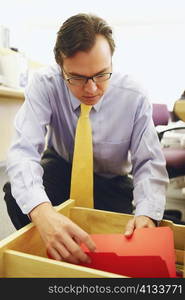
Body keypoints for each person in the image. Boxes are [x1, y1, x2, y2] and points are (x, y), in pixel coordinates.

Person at [3, 13, 169, 265]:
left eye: (102, 74)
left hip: (111, 179)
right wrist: (43, 213)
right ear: (60, 67)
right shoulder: (44, 84)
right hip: (62, 165)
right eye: (77, 78)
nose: (91, 89)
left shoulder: (133, 95)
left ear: (112, 61)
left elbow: (148, 162)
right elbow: (23, 152)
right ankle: (51, 252)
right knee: (18, 196)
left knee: (126, 235)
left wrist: (147, 214)